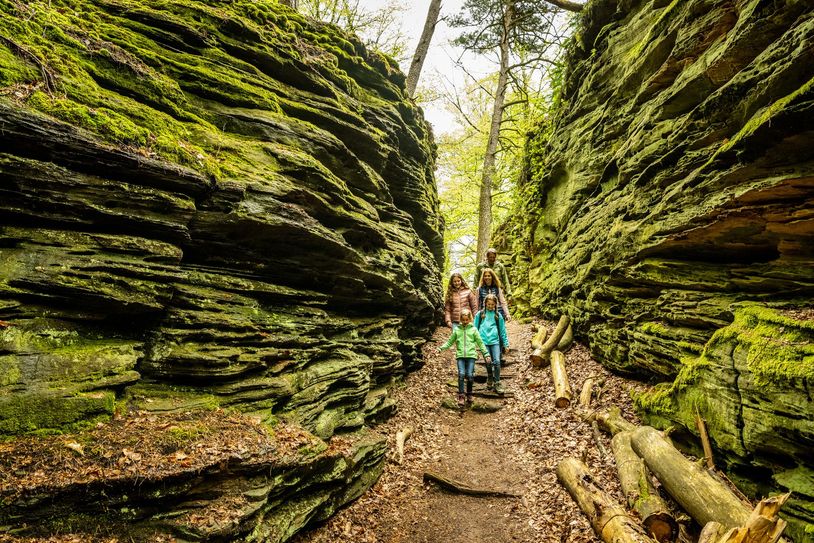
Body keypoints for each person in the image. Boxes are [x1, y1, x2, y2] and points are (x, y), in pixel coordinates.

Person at [438, 309, 490, 407]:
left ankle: (469, 393)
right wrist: (441, 348)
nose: (465, 322)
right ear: (461, 320)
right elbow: (450, 342)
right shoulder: (457, 330)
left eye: (467, 320)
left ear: (470, 319)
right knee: (461, 374)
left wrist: (486, 354)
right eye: (463, 320)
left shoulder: (474, 330)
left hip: (471, 356)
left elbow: (480, 343)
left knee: (470, 375)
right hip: (460, 356)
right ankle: (461, 395)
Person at [474, 294, 509, 394]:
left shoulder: (498, 315)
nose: (490, 306)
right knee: (488, 362)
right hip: (483, 342)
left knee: (497, 362)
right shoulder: (480, 314)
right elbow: (474, 329)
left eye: (492, 305)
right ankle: (490, 376)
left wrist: (506, 344)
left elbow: (502, 330)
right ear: (485, 304)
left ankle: (497, 382)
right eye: (488, 304)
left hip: (495, 341)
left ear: (495, 305)